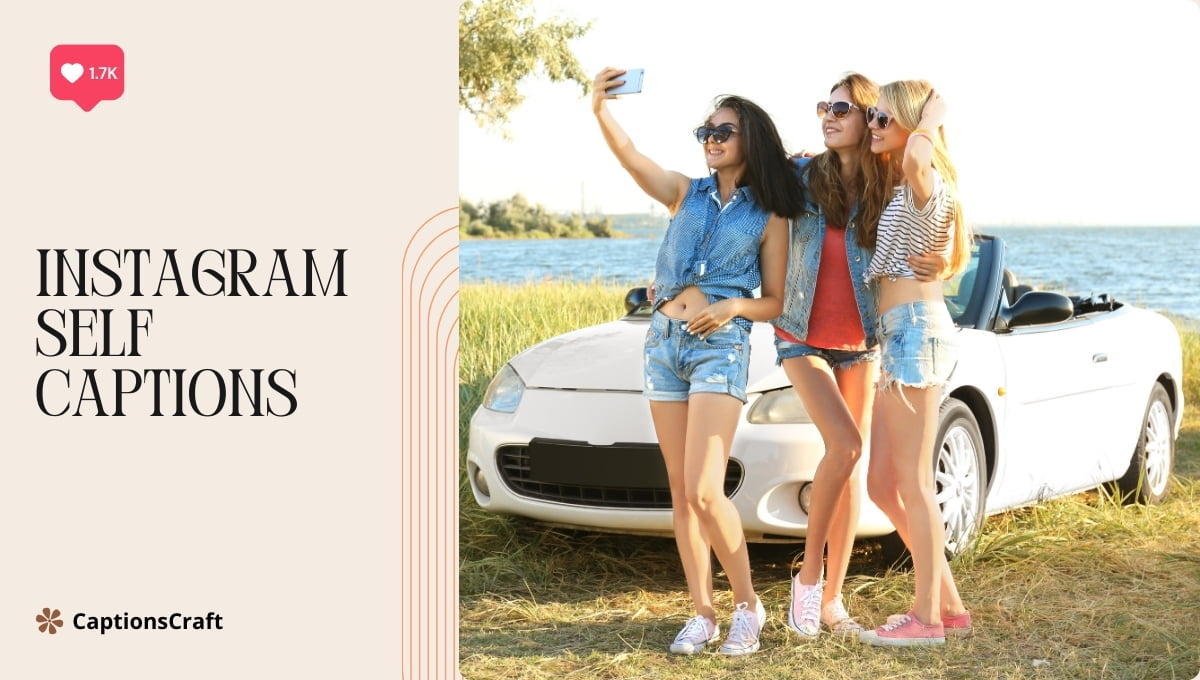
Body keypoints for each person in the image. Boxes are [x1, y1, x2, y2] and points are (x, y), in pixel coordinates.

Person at [591, 66, 804, 656]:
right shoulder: (685, 192)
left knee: (708, 490)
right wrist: (600, 111)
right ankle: (702, 614)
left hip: (720, 348)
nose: (710, 139)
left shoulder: (769, 213)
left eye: (723, 130)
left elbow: (775, 301)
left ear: (749, 139)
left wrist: (734, 303)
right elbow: (632, 158)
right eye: (704, 131)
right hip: (662, 345)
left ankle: (748, 606)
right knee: (682, 492)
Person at [775, 73, 946, 640]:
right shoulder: (801, 175)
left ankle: (832, 602)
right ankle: (805, 581)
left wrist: (945, 257)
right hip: (801, 334)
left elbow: (938, 214)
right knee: (845, 446)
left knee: (855, 474)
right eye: (825, 105)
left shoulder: (889, 183)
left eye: (845, 108)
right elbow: (740, 197)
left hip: (866, 341)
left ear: (872, 116)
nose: (829, 115)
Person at [857, 80, 973, 647]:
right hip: (896, 337)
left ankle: (926, 620)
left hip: (915, 336)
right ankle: (948, 604)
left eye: (882, 117)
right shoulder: (906, 189)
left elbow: (919, 154)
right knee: (883, 484)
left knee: (914, 482)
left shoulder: (928, 183)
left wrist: (934, 113)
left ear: (910, 124)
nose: (873, 124)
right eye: (871, 116)